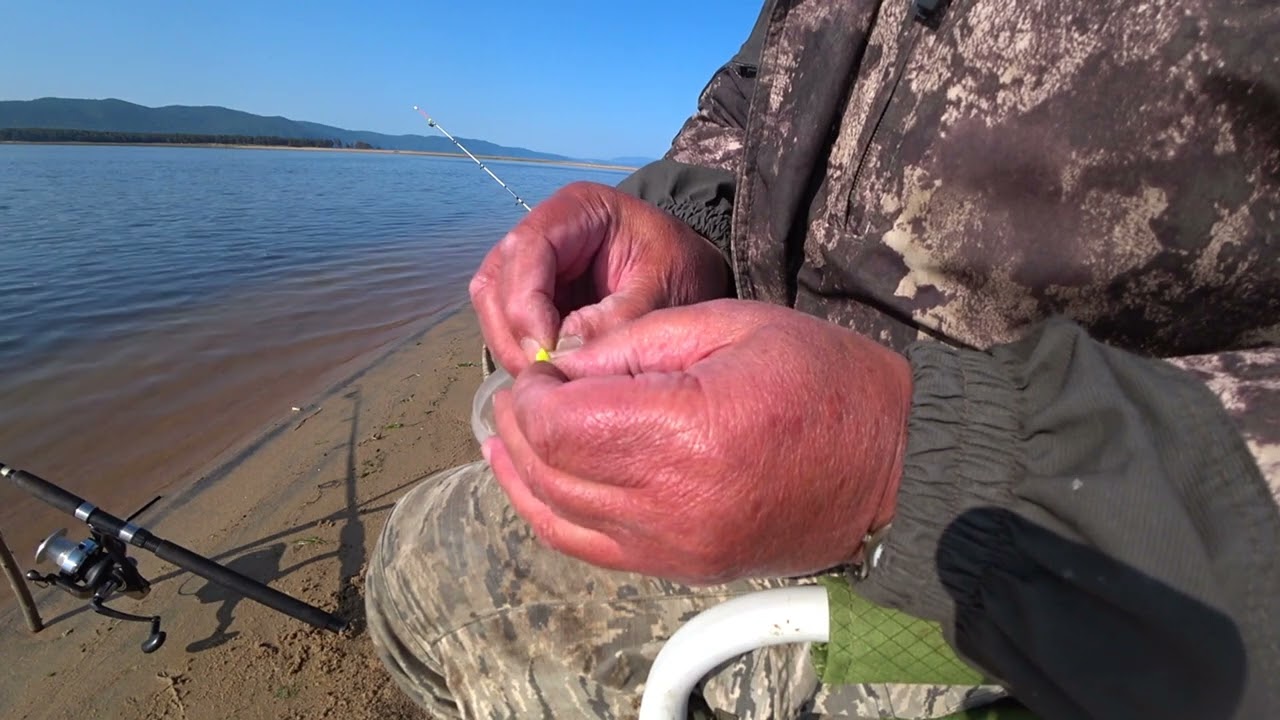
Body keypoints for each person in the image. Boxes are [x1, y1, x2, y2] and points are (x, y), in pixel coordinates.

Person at [365, 1, 1280, 718]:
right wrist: (691, 229)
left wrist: (911, 457)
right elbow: (750, 96)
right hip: (808, 425)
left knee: (427, 568)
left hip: (1040, 567)